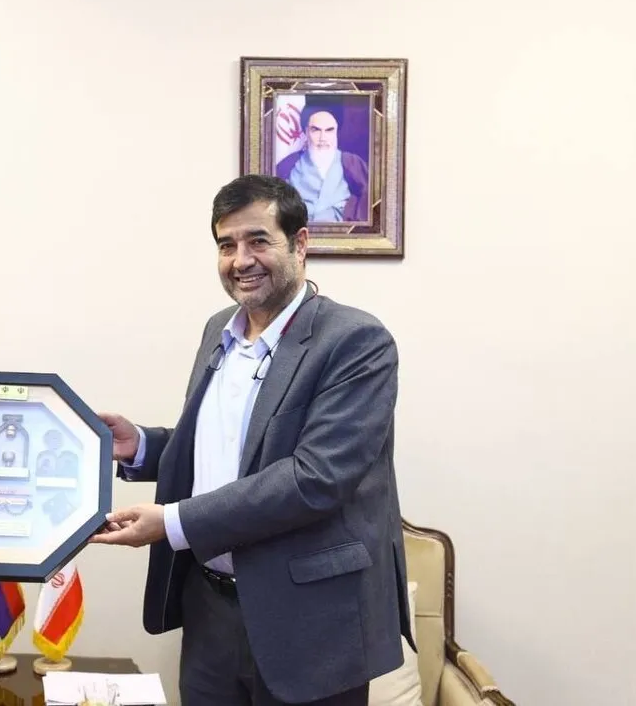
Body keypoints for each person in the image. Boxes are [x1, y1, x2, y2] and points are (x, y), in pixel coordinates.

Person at [90, 175, 413, 706]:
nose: (241, 260)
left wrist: (172, 522)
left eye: (258, 240)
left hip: (311, 625)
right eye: (227, 245)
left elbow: (315, 478)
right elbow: (228, 450)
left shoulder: (356, 341)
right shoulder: (219, 328)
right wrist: (142, 446)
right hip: (211, 614)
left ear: (300, 243)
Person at [274, 100, 369, 223]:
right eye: (316, 130)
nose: (323, 138)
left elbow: (370, 199)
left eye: (329, 130)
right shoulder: (287, 166)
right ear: (306, 132)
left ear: (336, 132)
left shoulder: (352, 163)